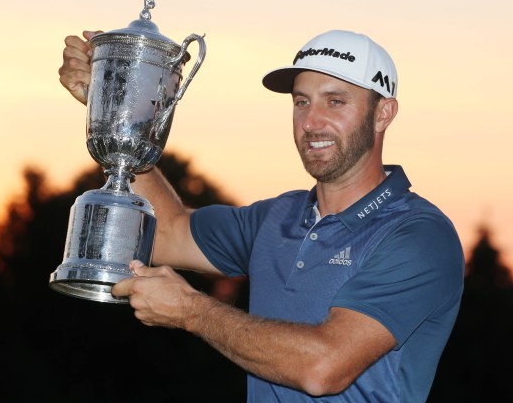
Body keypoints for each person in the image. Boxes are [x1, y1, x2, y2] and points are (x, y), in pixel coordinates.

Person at [58, 29, 465, 402]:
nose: (311, 122)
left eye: (335, 101)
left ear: (383, 114)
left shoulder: (418, 235)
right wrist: (115, 109)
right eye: (301, 102)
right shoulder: (278, 217)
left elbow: (323, 368)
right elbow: (165, 234)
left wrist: (192, 312)